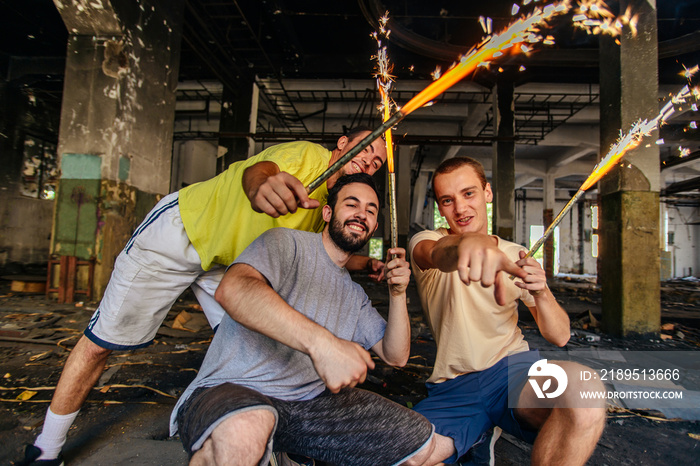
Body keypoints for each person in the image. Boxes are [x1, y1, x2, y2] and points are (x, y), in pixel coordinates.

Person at [20, 128, 388, 465]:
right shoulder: (308, 157)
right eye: (365, 148)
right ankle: (45, 449)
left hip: (227, 264)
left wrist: (365, 262)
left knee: (258, 339)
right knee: (102, 344)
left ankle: (254, 431)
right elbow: (257, 172)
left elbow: (325, 249)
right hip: (183, 234)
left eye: (376, 162)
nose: (368, 160)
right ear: (341, 143)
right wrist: (261, 185)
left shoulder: (325, 207)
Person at [171, 174, 437, 466]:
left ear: (373, 227)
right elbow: (233, 290)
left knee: (423, 447)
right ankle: (260, 446)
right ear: (327, 213)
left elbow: (396, 355)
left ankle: (279, 450)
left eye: (371, 211)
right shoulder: (286, 244)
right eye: (351, 204)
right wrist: (323, 345)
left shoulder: (355, 296)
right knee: (244, 431)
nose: (362, 213)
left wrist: (398, 293)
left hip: (309, 405)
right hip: (234, 389)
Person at [407, 157, 606, 465]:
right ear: (440, 206)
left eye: (468, 193)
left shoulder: (516, 254)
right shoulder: (428, 241)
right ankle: (479, 435)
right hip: (455, 386)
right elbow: (437, 254)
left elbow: (560, 336)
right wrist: (470, 244)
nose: (460, 208)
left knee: (584, 391)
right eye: (448, 200)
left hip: (512, 373)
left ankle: (484, 431)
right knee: (408, 457)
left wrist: (541, 292)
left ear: (487, 193)